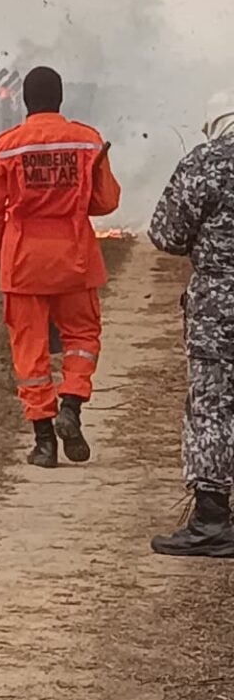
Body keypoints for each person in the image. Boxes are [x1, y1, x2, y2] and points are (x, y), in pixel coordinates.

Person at [0, 66, 122, 468]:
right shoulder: (88, 141)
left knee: (30, 350)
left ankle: (44, 444)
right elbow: (106, 202)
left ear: (25, 102)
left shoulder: (6, 146)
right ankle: (72, 405)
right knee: (81, 336)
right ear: (61, 99)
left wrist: (1, 254)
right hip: (75, 257)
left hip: (23, 259)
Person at [147, 90, 234, 558]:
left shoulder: (206, 163)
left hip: (220, 312)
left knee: (213, 408)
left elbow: (166, 233)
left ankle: (212, 520)